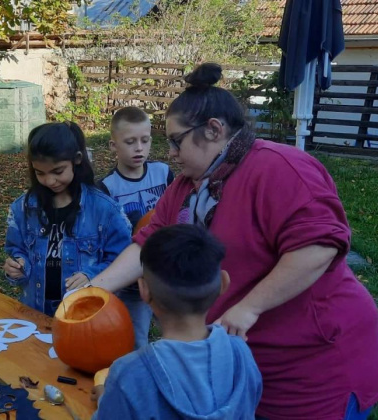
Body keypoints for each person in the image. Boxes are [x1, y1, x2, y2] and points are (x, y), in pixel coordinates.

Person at [90, 63, 378, 420]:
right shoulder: (188, 185)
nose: (172, 154)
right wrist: (93, 290)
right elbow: (149, 242)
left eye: (177, 141)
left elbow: (318, 246)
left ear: (213, 130)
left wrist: (250, 306)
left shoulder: (280, 168)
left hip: (317, 361)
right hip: (247, 361)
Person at [93, 224, 262, 419]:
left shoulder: (129, 375)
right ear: (223, 283)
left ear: (144, 290)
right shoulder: (241, 354)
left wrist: (106, 399)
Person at [3, 122, 132, 316]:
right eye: (40, 173)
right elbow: (16, 248)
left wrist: (92, 275)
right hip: (34, 311)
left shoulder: (106, 210)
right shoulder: (23, 208)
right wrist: (17, 264)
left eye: (57, 171)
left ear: (77, 160)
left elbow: (122, 261)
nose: (49, 181)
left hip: (84, 316)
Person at [98, 106, 174, 349]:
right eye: (130, 142)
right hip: (132, 278)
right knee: (135, 338)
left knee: (176, 333)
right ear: (113, 146)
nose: (139, 148)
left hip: (166, 273)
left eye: (144, 140)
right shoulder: (106, 188)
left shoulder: (164, 173)